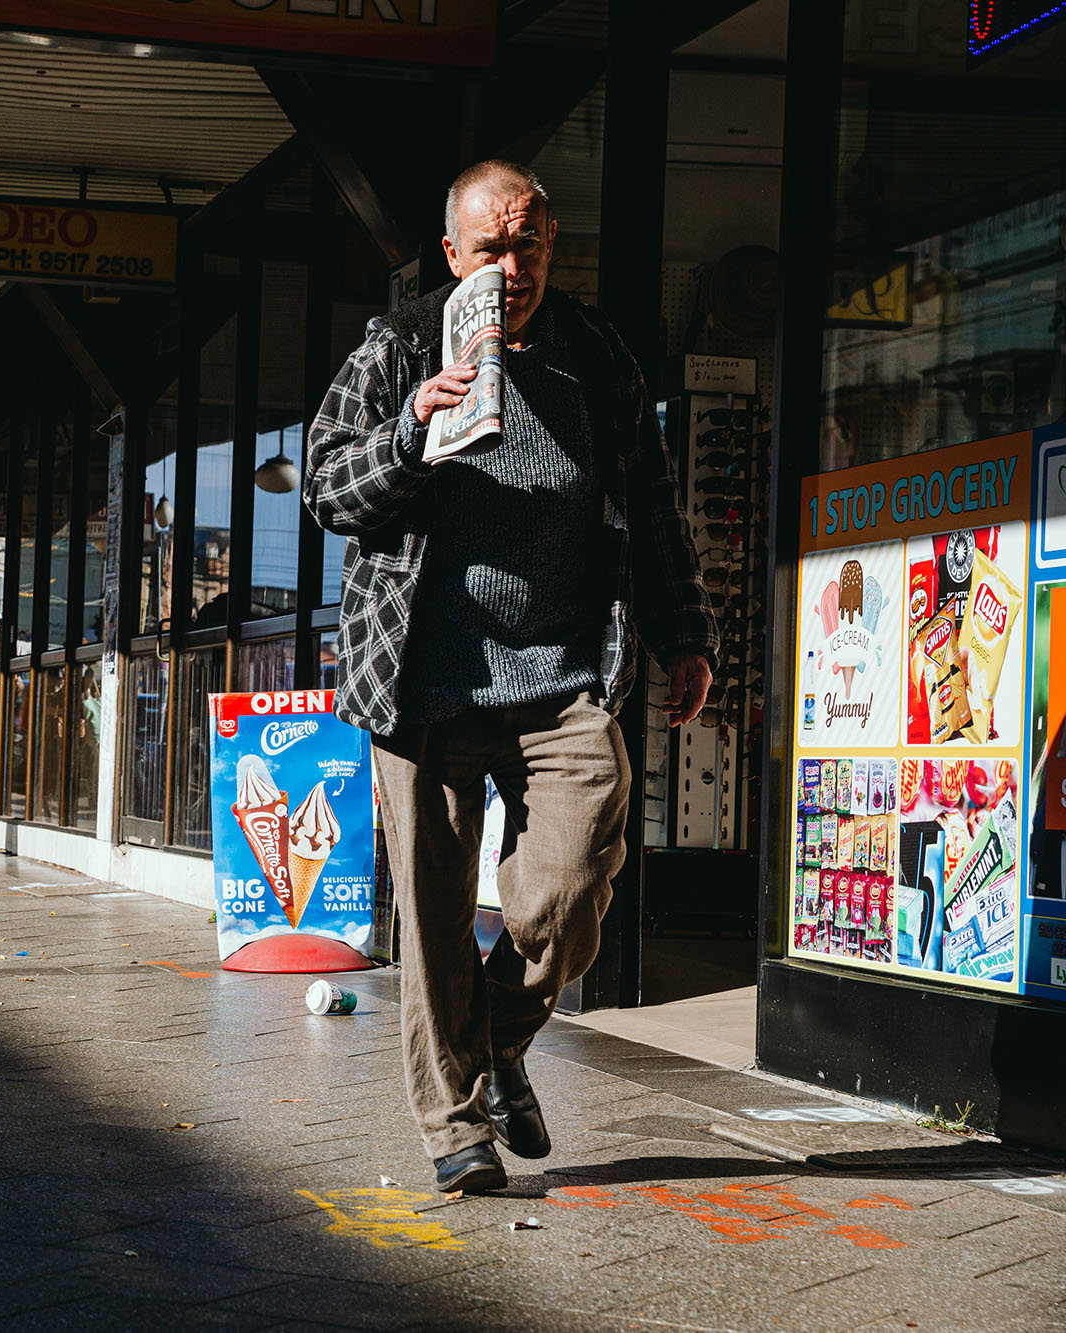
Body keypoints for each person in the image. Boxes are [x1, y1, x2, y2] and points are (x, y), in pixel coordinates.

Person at [304, 160, 717, 1196]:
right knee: (435, 918)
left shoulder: (593, 354)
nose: (511, 266)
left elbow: (652, 508)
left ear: (551, 245)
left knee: (572, 891)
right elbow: (324, 485)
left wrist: (684, 632)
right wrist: (409, 433)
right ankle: (453, 1125)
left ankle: (491, 1040)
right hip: (423, 683)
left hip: (560, 680)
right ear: (451, 256)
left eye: (528, 243)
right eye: (489, 248)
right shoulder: (397, 346)